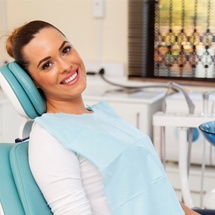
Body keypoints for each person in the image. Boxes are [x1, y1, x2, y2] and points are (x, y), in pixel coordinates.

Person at [5, 20, 200, 215]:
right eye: (47, 65)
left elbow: (157, 190)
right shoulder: (49, 137)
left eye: (65, 50)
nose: (65, 65)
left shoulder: (102, 114)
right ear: (33, 82)